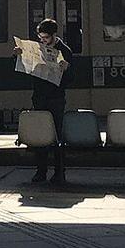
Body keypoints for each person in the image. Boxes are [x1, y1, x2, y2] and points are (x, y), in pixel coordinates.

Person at [29, 18, 72, 184]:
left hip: (56, 97)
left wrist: (66, 69)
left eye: (45, 37)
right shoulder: (37, 50)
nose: (43, 40)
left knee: (56, 136)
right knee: (40, 135)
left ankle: (59, 172)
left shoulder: (64, 51)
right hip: (39, 96)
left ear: (54, 35)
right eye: (40, 37)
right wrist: (18, 56)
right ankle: (40, 171)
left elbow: (72, 78)